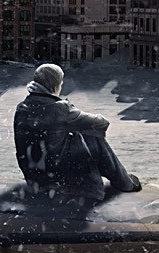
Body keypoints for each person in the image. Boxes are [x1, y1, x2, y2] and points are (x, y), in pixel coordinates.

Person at [13, 63, 141, 195]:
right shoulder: (60, 108)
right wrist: (72, 113)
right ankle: (125, 183)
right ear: (55, 86)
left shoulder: (21, 107)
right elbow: (101, 123)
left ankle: (123, 181)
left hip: (35, 177)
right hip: (58, 178)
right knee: (90, 134)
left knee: (73, 129)